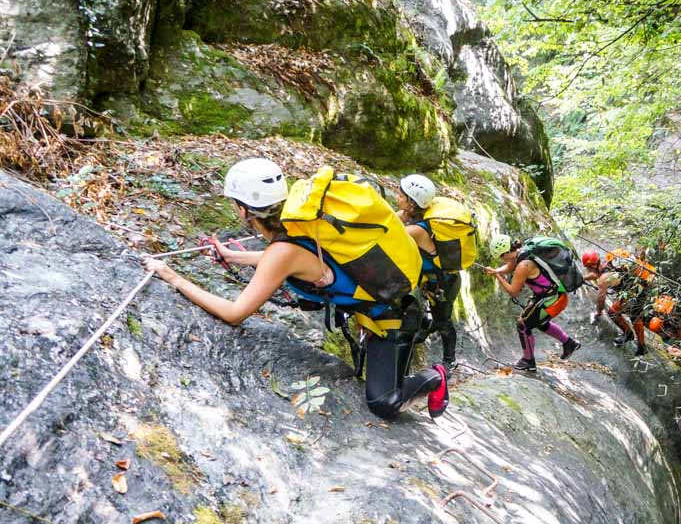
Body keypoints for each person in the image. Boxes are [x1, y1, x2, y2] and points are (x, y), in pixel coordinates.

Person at [145, 158, 449, 420]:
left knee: (384, 403)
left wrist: (172, 277)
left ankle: (436, 377)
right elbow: (290, 260)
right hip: (382, 308)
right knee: (380, 386)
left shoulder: (287, 242)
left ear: (242, 209)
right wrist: (233, 255)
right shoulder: (300, 220)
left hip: (392, 321)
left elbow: (235, 313)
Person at [486, 234, 580, 371]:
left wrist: (497, 276)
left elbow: (513, 291)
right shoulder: (521, 253)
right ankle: (569, 343)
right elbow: (509, 267)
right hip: (551, 295)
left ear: (506, 253)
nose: (501, 260)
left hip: (552, 300)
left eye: (501, 256)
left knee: (523, 324)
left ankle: (528, 361)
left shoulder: (523, 265)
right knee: (539, 323)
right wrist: (497, 271)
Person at [396, 173, 460, 371]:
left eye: (401, 195)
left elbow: (389, 235)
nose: (397, 197)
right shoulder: (416, 219)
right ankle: (424, 327)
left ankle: (450, 360)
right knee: (432, 315)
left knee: (443, 321)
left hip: (443, 283)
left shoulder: (417, 230)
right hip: (432, 281)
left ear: (411, 202)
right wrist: (402, 214)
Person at [585, 248, 653, 356]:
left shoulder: (605, 276)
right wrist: (583, 278)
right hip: (643, 281)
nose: (587, 270)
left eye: (587, 268)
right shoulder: (606, 263)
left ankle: (630, 335)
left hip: (639, 287)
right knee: (634, 316)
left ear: (592, 266)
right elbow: (598, 275)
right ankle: (641, 346)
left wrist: (598, 312)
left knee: (614, 312)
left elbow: (601, 299)